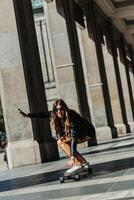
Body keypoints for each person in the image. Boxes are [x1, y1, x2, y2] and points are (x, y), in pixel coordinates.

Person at [18, 98, 96, 173]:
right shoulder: (54, 115)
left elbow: (74, 139)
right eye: (56, 109)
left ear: (65, 108)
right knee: (60, 141)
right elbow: (42, 114)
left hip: (87, 132)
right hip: (78, 134)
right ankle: (84, 163)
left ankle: (78, 164)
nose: (59, 111)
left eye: (61, 109)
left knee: (61, 142)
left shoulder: (71, 118)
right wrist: (28, 115)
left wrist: (72, 158)